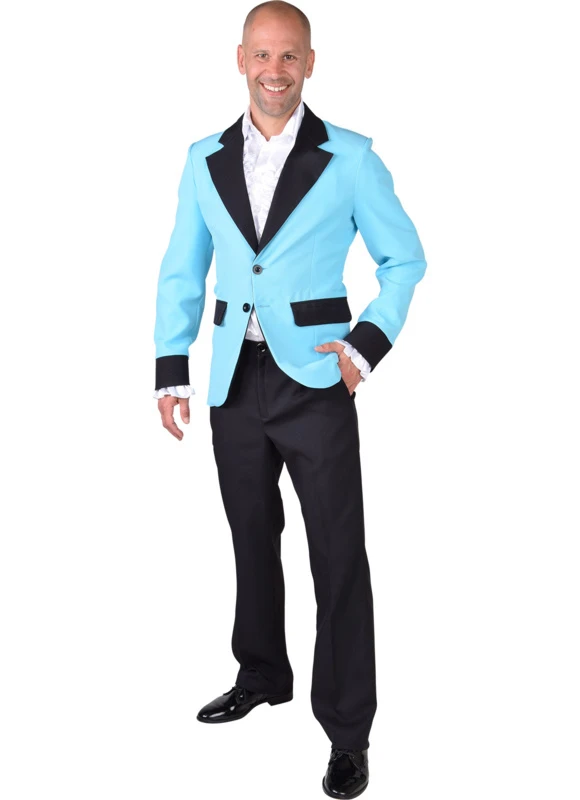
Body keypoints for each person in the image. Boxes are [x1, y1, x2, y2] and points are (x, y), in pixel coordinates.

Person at [152, 2, 427, 796]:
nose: (275, 70)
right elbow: (182, 268)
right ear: (240, 59)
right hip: (233, 381)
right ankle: (263, 673)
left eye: (290, 56)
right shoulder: (202, 159)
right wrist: (172, 371)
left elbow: (404, 261)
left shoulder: (352, 157)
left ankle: (347, 731)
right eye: (262, 55)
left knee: (337, 554)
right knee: (250, 538)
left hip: (316, 381)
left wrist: (363, 347)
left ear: (311, 62)